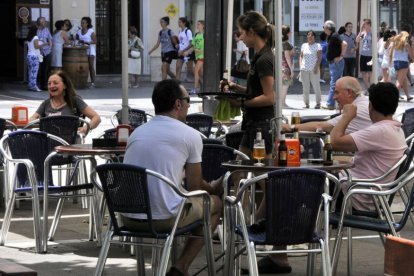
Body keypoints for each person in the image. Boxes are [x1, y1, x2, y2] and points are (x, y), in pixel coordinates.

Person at [122, 79, 223, 276]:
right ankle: (181, 267)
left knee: (185, 200)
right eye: (187, 100)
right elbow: (195, 187)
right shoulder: (190, 135)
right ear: (178, 104)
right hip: (164, 218)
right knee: (215, 204)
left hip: (127, 217)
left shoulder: (136, 133)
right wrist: (214, 187)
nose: (188, 105)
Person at [331, 82, 407, 211]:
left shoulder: (380, 131)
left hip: (356, 196)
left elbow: (334, 142)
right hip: (365, 192)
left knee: (304, 181)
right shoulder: (394, 128)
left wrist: (346, 116)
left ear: (370, 106)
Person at [285, 76, 372, 135]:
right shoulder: (364, 101)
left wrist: (290, 127)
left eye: (337, 92)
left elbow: (321, 126)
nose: (334, 97)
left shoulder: (357, 109)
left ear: (349, 92)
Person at [29, 70, 101, 134]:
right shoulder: (45, 104)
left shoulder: (75, 101)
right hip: (48, 144)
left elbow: (96, 118)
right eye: (49, 83)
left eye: (55, 83)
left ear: (65, 86)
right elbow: (31, 121)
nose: (51, 86)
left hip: (70, 145)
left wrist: (86, 128)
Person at [323, 20, 347, 110]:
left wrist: (341, 56)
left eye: (324, 27)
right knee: (335, 83)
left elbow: (344, 44)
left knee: (334, 84)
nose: (323, 29)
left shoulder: (334, 36)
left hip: (336, 63)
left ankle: (330, 104)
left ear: (328, 28)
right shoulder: (331, 36)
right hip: (333, 63)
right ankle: (334, 104)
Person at [148, 16, 177, 80]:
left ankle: (163, 84)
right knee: (167, 70)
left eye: (162, 22)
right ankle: (176, 80)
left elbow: (174, 40)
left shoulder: (170, 32)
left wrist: (176, 45)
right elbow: (158, 43)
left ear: (166, 23)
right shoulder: (160, 32)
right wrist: (151, 50)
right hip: (163, 52)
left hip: (169, 51)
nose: (161, 23)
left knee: (163, 67)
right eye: (160, 22)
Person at [299, 30, 322, 109]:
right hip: (304, 69)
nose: (310, 36)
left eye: (311, 35)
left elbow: (319, 58)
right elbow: (301, 56)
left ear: (314, 37)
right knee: (305, 87)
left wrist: (316, 67)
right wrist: (300, 66)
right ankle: (306, 104)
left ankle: (318, 103)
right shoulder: (304, 45)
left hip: (314, 69)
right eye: (308, 35)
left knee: (316, 87)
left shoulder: (318, 45)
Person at [390, 31, 414, 101]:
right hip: (404, 63)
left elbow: (390, 54)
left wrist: (390, 62)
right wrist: (413, 60)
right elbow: (411, 54)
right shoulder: (406, 44)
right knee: (399, 82)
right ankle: (393, 96)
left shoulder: (395, 43)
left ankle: (408, 96)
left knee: (404, 80)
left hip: (396, 62)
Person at [76, 17, 97, 88]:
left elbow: (95, 41)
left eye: (83, 23)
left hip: (90, 51)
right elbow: (77, 40)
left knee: (91, 66)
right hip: (82, 51)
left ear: (87, 23)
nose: (82, 24)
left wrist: (88, 42)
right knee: (83, 67)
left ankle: (93, 83)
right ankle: (83, 82)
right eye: (81, 23)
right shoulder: (79, 32)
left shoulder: (91, 31)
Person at [176, 17, 195, 81]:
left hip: (187, 53)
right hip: (180, 52)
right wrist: (178, 45)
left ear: (184, 23)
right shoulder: (180, 31)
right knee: (178, 68)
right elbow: (182, 42)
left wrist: (184, 50)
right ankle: (177, 86)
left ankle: (201, 82)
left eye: (180, 22)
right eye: (178, 22)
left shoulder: (188, 31)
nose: (178, 23)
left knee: (190, 71)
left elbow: (191, 43)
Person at [356, 19, 373, 89]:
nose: (363, 25)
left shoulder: (372, 33)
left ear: (368, 25)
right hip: (363, 55)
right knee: (363, 72)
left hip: (370, 55)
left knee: (369, 73)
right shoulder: (363, 33)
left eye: (364, 24)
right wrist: (360, 30)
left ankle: (369, 88)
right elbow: (357, 40)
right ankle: (368, 88)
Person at [36, 17, 53, 91]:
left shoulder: (46, 30)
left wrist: (50, 47)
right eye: (43, 22)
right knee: (39, 69)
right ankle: (38, 84)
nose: (44, 23)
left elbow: (50, 39)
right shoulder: (36, 30)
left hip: (47, 52)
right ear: (39, 23)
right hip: (39, 52)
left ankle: (45, 85)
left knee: (46, 69)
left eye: (44, 22)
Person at [281, 25, 294, 109]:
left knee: (282, 86)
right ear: (288, 33)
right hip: (285, 67)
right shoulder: (286, 44)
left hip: (280, 67)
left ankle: (283, 102)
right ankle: (282, 103)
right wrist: (291, 69)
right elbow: (287, 57)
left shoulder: (278, 43)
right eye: (290, 32)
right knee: (285, 86)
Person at [26, 25, 42, 92]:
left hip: (29, 56)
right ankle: (34, 86)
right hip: (34, 57)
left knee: (30, 72)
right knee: (34, 72)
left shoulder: (29, 38)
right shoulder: (35, 37)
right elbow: (36, 46)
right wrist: (43, 44)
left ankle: (30, 85)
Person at [190, 20, 205, 94]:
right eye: (197, 24)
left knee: (195, 70)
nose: (197, 26)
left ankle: (196, 88)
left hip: (202, 56)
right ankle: (205, 85)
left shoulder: (205, 35)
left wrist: (200, 50)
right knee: (201, 73)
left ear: (203, 26)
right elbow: (193, 45)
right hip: (197, 56)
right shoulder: (196, 35)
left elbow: (207, 46)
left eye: (199, 24)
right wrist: (188, 51)